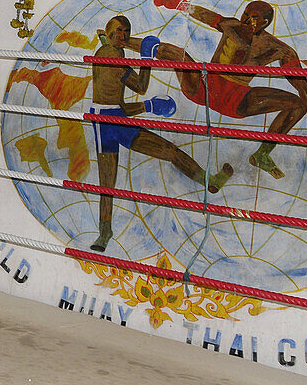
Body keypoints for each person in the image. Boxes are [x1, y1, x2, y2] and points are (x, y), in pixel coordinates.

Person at [148, 0, 307, 178]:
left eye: (253, 17)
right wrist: (180, 5)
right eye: (245, 14)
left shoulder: (276, 48)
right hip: (204, 87)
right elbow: (207, 16)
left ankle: (262, 154)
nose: (246, 20)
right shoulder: (231, 26)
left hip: (236, 98)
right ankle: (128, 45)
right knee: (175, 54)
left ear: (265, 23)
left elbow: (301, 85)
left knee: (297, 104)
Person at [88, 16, 233, 251]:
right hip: (104, 123)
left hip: (117, 118)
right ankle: (104, 232)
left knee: (169, 151)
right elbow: (141, 86)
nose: (122, 35)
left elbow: (120, 107)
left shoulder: (110, 50)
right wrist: (146, 58)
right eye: (117, 31)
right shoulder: (111, 54)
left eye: (126, 31)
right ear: (108, 32)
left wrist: (149, 107)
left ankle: (209, 181)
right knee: (107, 182)